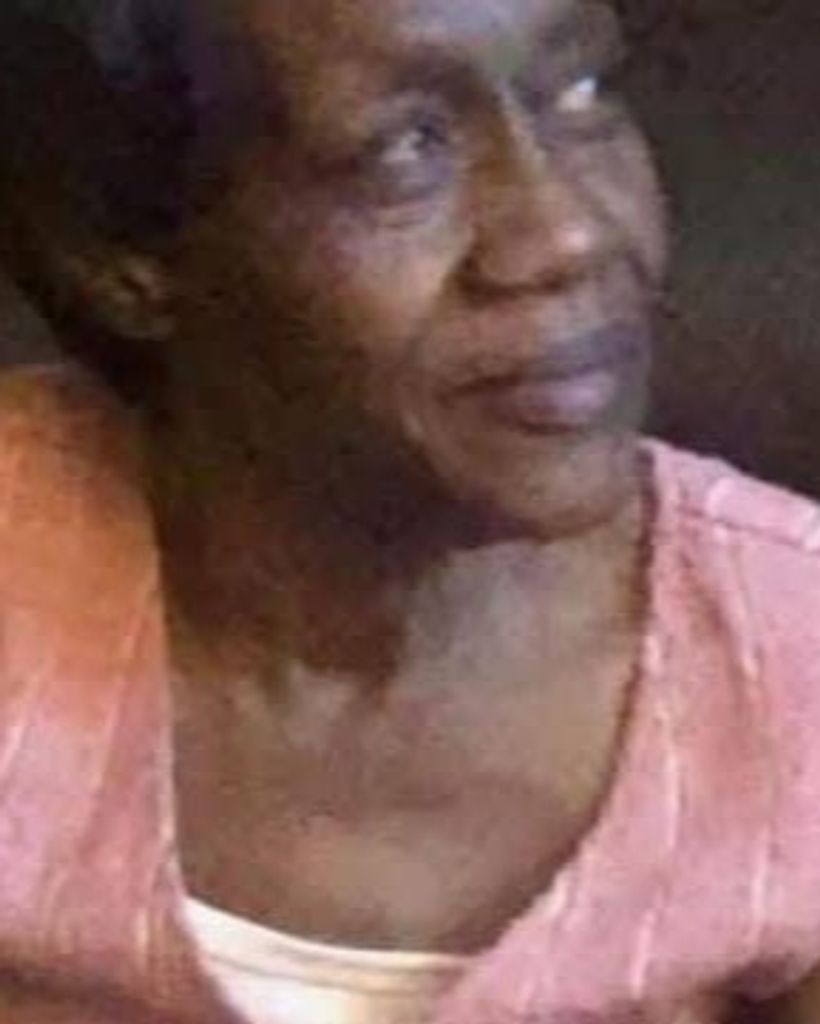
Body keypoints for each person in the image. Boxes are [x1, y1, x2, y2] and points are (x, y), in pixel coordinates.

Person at [0, 0, 820, 1021]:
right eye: (404, 150)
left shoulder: (790, 669)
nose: (568, 232)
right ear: (121, 258)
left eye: (580, 94)